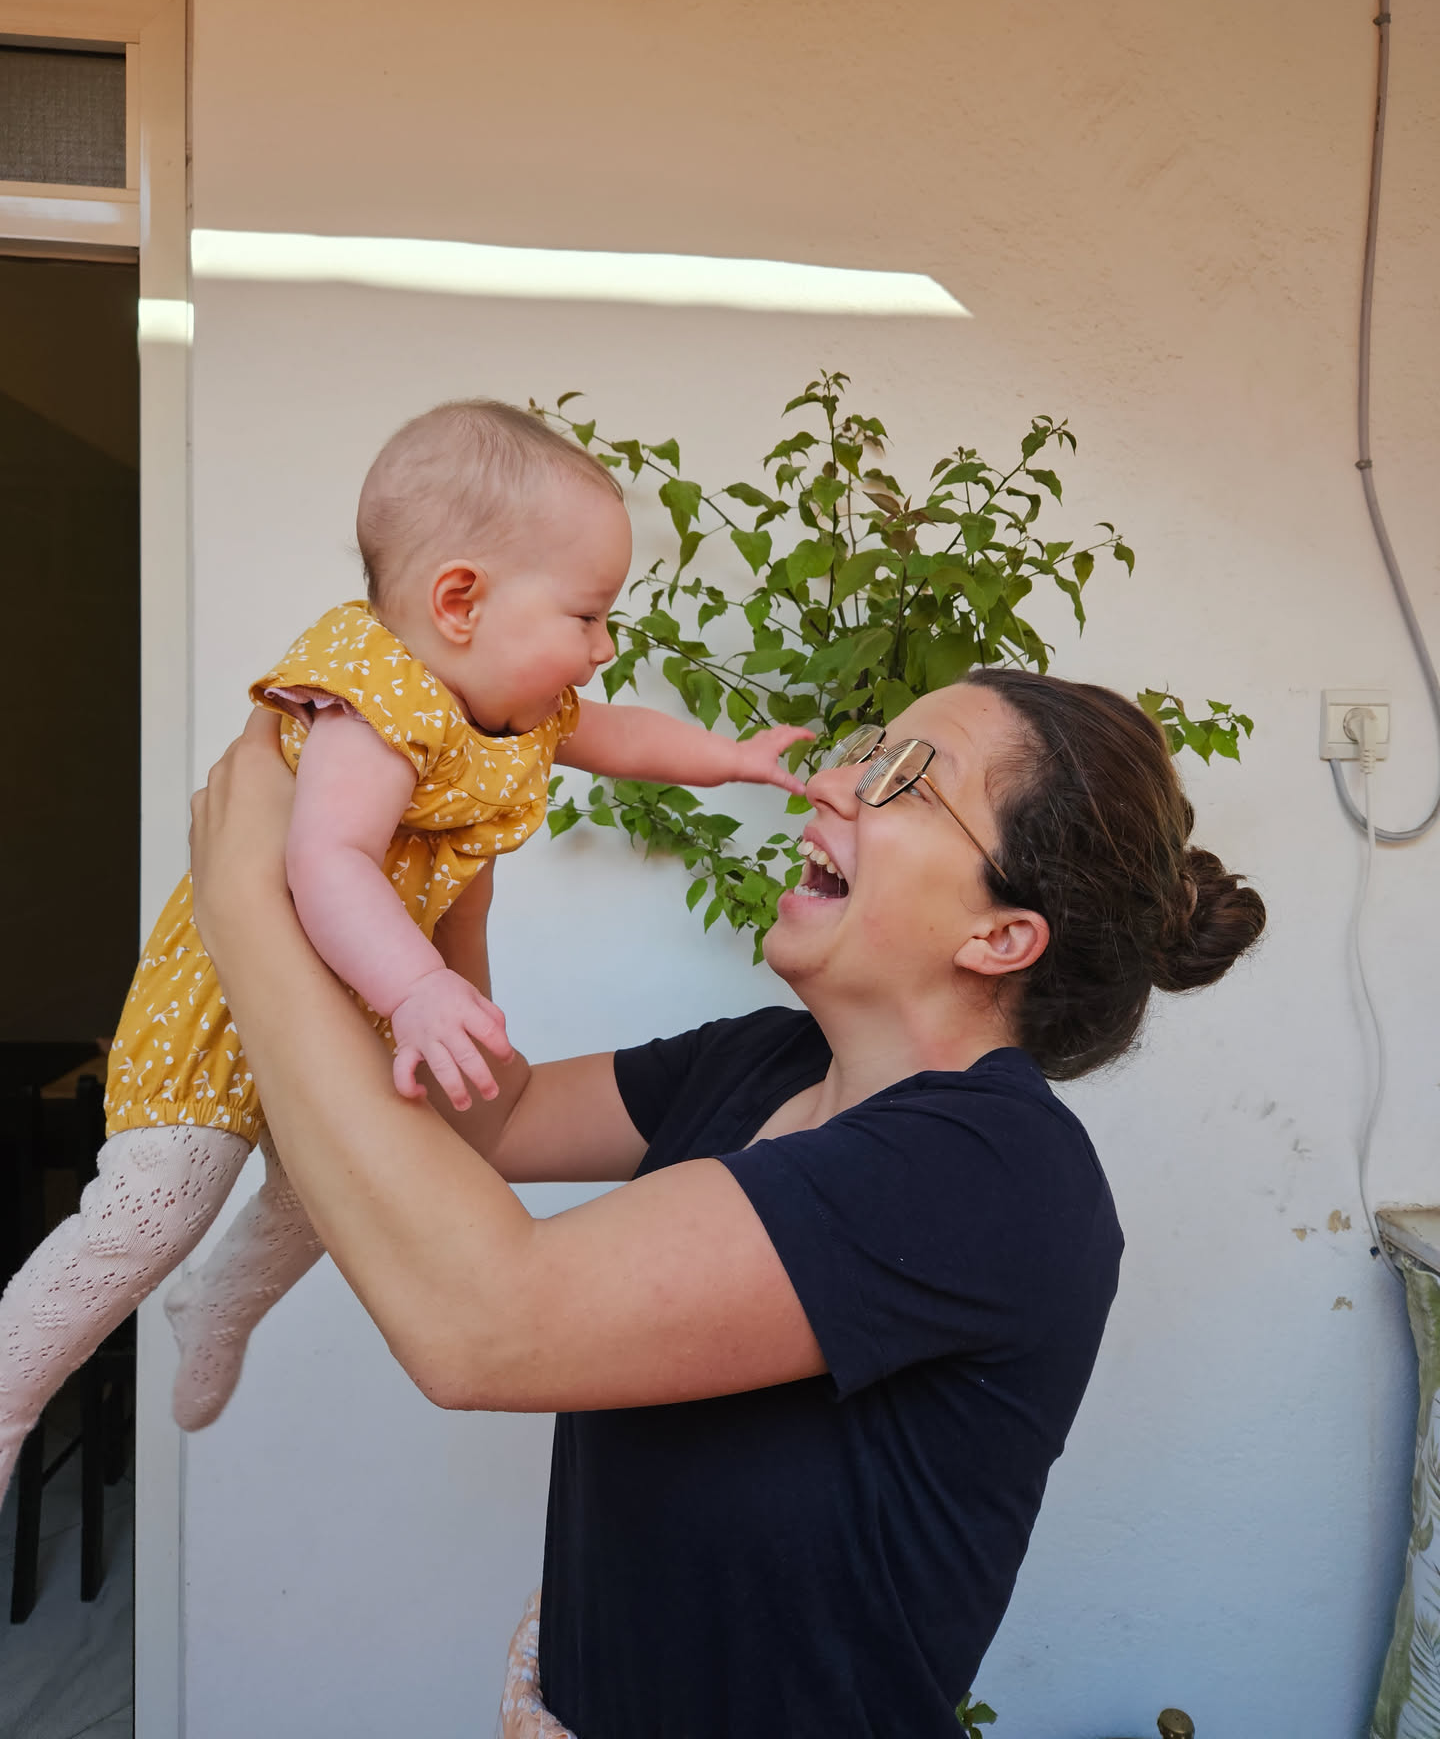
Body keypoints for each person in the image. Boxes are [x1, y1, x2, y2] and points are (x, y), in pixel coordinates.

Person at [185, 662, 1265, 1737]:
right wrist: (459, 884)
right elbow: (496, 1122)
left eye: (905, 779)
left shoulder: (991, 1171)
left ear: (1001, 936)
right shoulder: (769, 1059)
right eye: (865, 752)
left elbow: (481, 1328)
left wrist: (244, 907)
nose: (833, 783)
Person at [0, 400, 810, 1501]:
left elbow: (619, 736)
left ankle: (221, 1300)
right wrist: (423, 984)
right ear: (459, 601)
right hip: (231, 994)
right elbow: (325, 860)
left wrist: (734, 760)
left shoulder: (518, 710)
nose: (604, 647)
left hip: (358, 995)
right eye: (587, 615)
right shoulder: (376, 702)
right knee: (157, 1205)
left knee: (337, 1189)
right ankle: (15, 1390)